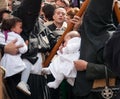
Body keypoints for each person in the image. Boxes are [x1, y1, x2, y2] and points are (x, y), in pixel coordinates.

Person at [70, 0, 120, 99]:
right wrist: (75, 30)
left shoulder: (115, 38)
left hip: (103, 92)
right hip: (80, 91)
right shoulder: (85, 33)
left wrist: (88, 67)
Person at [0, 17, 31, 95]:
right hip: (15, 62)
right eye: (20, 27)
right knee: (27, 66)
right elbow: (23, 49)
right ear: (13, 28)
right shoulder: (16, 37)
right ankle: (23, 83)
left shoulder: (1, 34)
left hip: (4, 62)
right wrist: (26, 45)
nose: (21, 29)